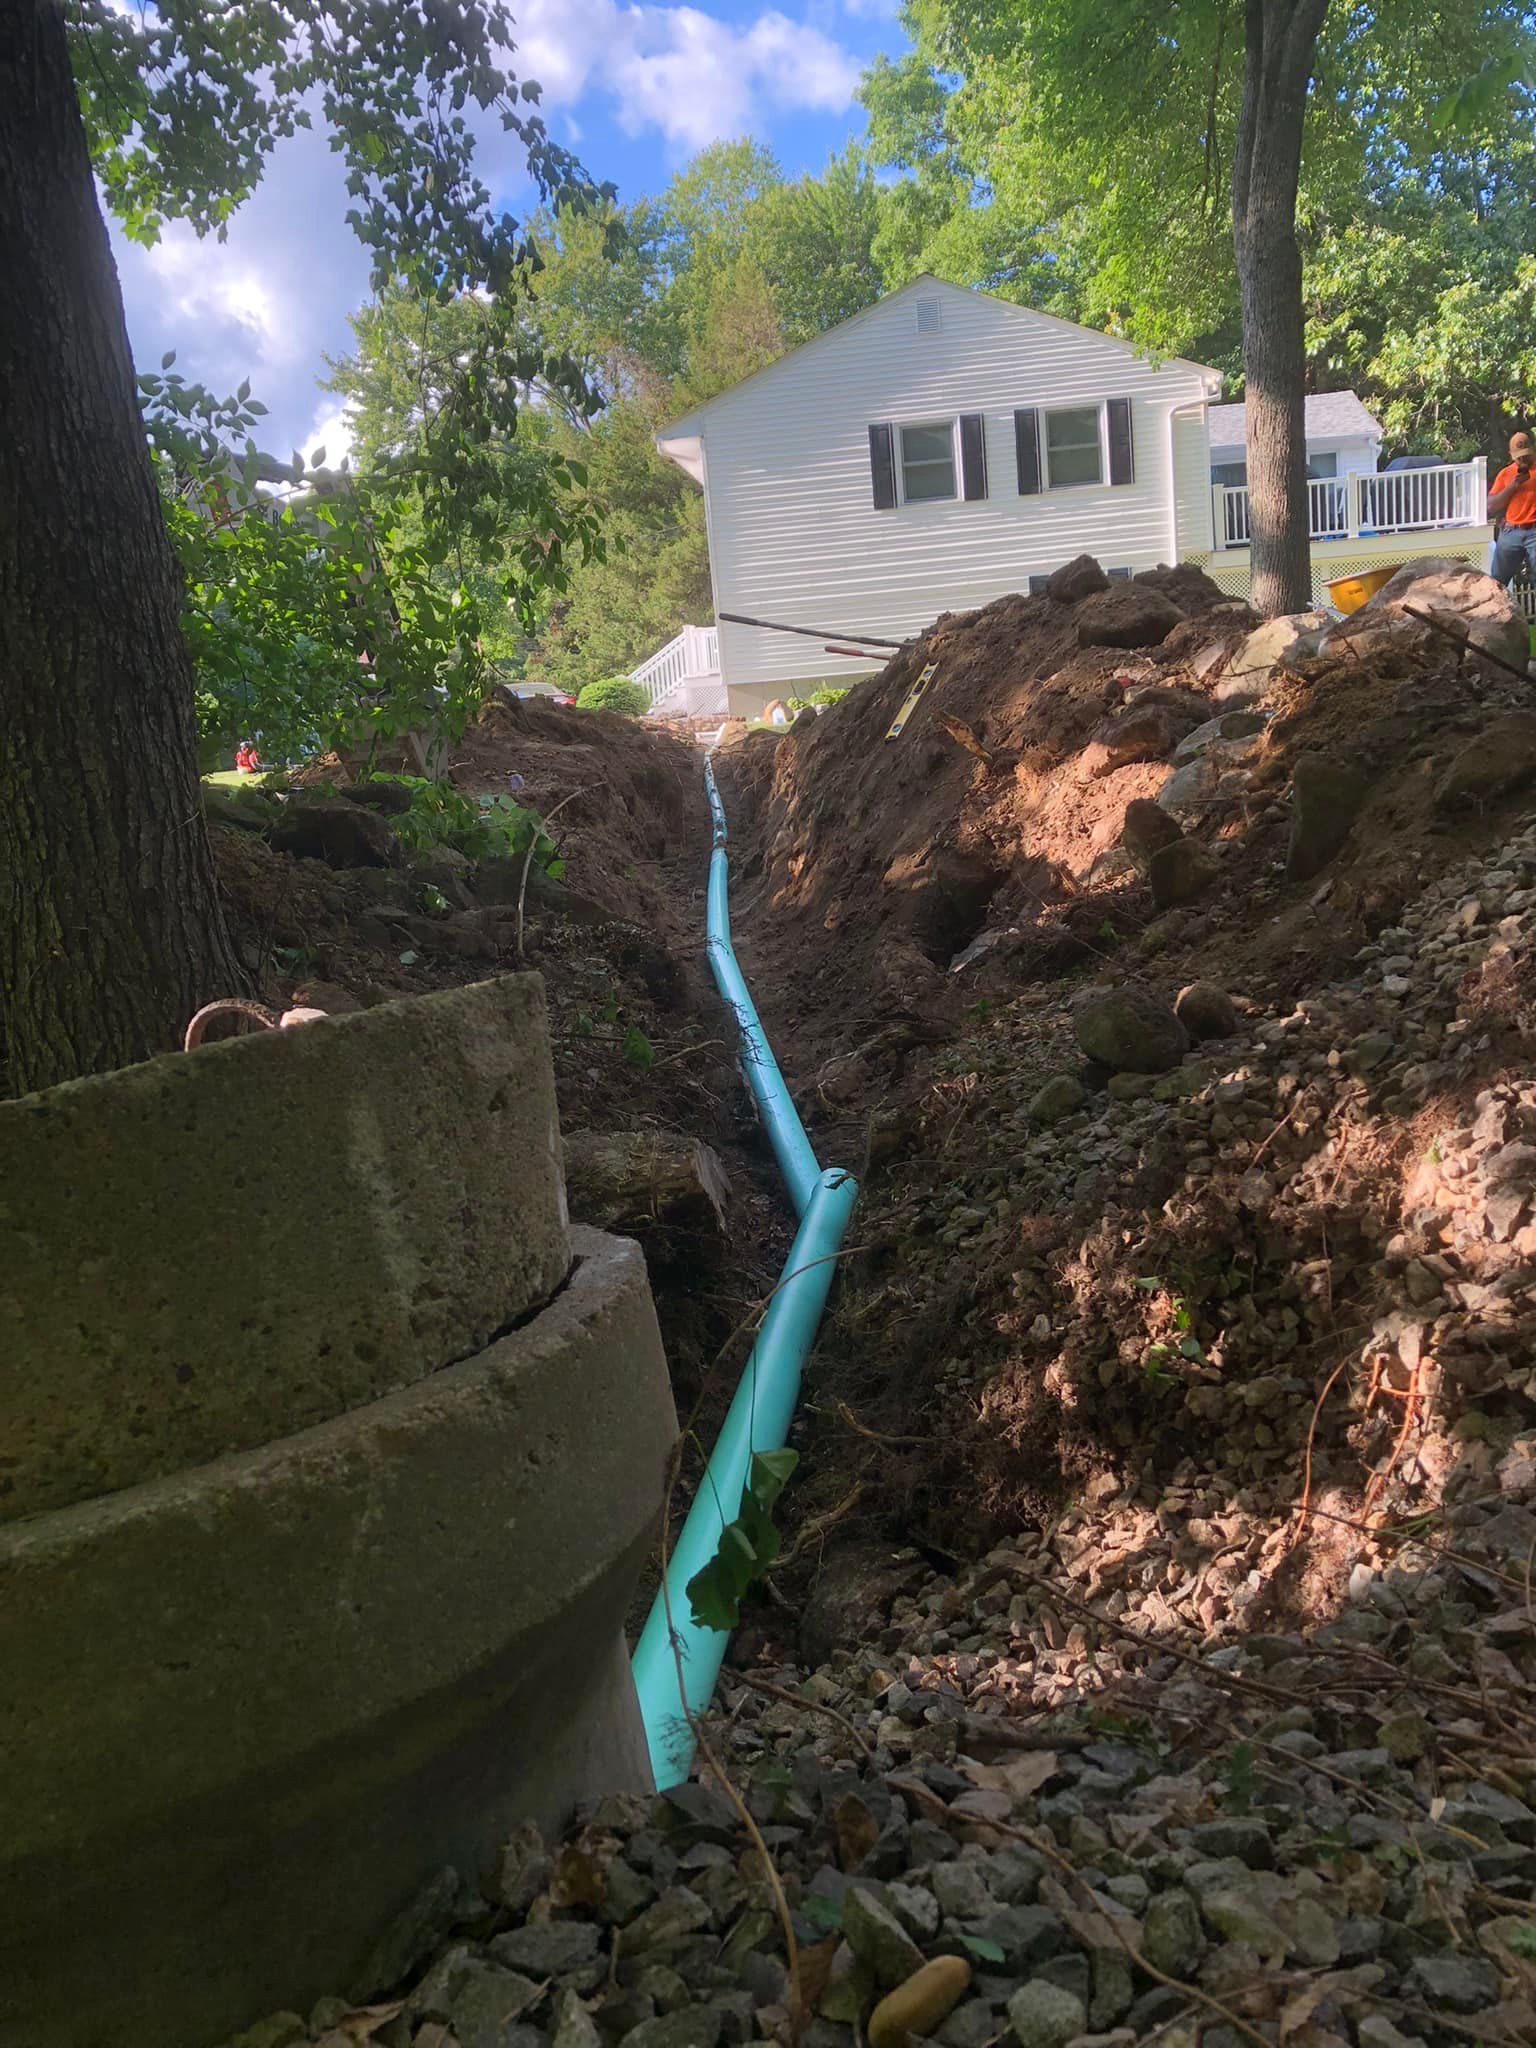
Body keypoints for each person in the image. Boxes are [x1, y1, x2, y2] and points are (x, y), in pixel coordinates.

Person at [1487, 431, 1536, 588]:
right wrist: (1513, 486)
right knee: (1497, 583)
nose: (1522, 459)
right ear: (1511, 454)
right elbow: (1491, 506)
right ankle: (1495, 612)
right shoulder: (1505, 474)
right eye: (1518, 456)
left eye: (1526, 455)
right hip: (1510, 533)